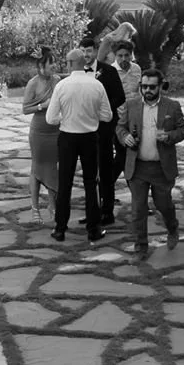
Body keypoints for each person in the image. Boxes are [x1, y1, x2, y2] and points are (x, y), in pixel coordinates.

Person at [115, 66, 184, 254]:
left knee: (163, 205)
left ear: (161, 87)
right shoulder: (131, 105)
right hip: (137, 167)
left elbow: (183, 130)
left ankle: (172, 227)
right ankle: (141, 248)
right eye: (144, 86)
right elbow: (120, 127)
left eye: (152, 87)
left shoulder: (172, 106)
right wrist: (125, 138)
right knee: (138, 210)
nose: (147, 90)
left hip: (161, 168)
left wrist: (170, 136)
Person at [47, 47, 111, 242]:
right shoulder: (96, 85)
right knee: (91, 183)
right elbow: (108, 115)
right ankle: (94, 228)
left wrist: (67, 117)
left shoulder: (63, 86)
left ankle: (60, 228)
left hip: (67, 136)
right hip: (89, 137)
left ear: (70, 63)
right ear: (84, 64)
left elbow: (50, 118)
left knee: (64, 183)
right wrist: (91, 115)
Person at [95, 41, 131, 220]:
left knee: (115, 159)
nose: (87, 54)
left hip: (115, 123)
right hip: (94, 126)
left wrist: (105, 110)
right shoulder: (82, 73)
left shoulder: (109, 71)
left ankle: (107, 207)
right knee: (94, 168)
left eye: (89, 50)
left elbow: (121, 96)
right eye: (83, 51)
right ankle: (95, 206)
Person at [21, 57, 60, 215]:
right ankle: (35, 207)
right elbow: (25, 109)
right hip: (39, 132)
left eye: (54, 62)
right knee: (36, 167)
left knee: (52, 167)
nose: (54, 66)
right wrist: (42, 105)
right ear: (40, 66)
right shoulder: (33, 83)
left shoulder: (57, 80)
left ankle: (52, 205)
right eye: (50, 63)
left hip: (55, 130)